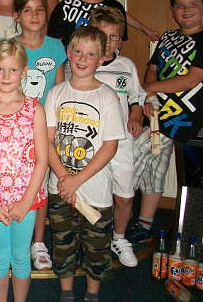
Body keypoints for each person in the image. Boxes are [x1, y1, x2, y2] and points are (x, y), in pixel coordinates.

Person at [126, 0, 203, 244]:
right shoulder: (169, 37)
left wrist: (150, 89)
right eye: (180, 5)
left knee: (130, 161)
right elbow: (152, 67)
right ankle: (144, 224)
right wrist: (149, 95)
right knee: (154, 170)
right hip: (156, 114)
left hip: (181, 119)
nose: (186, 10)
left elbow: (191, 80)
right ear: (172, 10)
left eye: (193, 4)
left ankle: (114, 218)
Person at [45, 26, 125, 302]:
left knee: (96, 247)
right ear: (68, 53)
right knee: (63, 242)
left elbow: (110, 146)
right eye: (77, 51)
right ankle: (66, 291)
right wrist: (64, 178)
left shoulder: (107, 96)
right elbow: (47, 140)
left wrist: (76, 180)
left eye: (90, 54)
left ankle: (92, 293)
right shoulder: (56, 93)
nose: (82, 58)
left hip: (95, 191)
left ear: (101, 58)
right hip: (60, 187)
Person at [0, 39, 48, 302]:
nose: (6, 76)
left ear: (24, 72)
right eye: (0, 69)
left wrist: (26, 201)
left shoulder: (34, 109)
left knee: (21, 255)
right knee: (0, 256)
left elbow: (42, 160)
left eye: (13, 69)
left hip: (26, 198)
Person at [14, 0, 66, 271]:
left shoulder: (56, 47)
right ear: (17, 16)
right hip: (15, 127)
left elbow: (59, 90)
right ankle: (16, 235)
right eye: (27, 10)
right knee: (17, 182)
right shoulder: (9, 46)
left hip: (45, 127)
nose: (34, 15)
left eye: (39, 10)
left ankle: (38, 242)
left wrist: (54, 127)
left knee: (40, 184)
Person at [89, 8, 146, 267]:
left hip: (121, 141)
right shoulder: (83, 64)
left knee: (124, 195)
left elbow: (137, 97)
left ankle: (119, 238)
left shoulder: (126, 66)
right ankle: (90, 239)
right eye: (103, 35)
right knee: (92, 196)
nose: (109, 41)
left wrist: (136, 114)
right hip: (92, 142)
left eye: (114, 36)